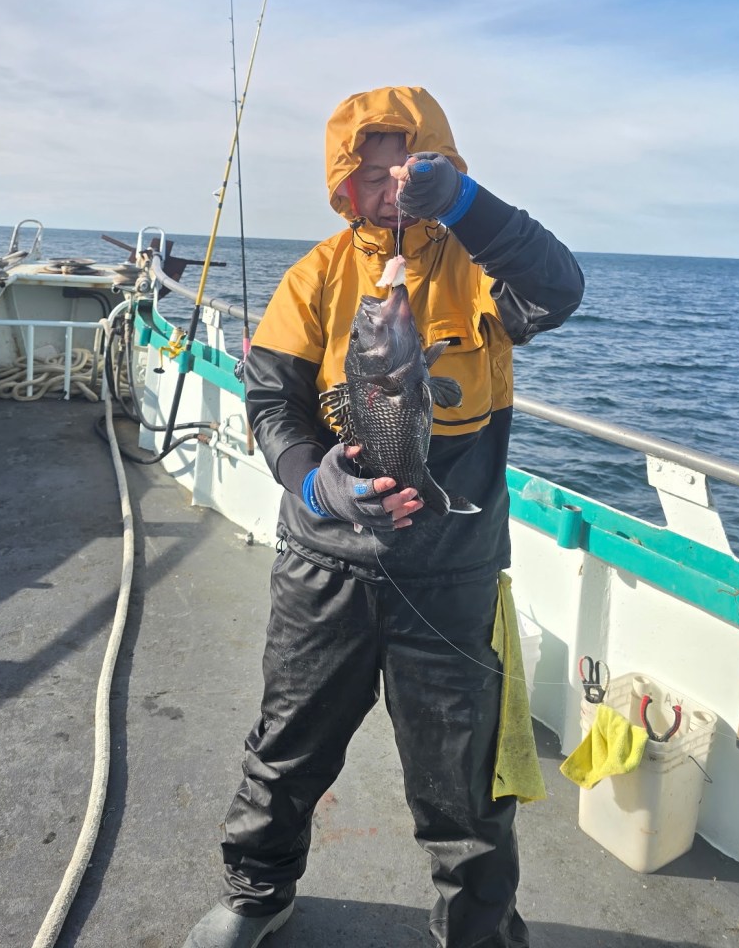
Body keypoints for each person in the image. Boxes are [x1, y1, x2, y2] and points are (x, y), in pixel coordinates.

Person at [182, 85, 585, 948]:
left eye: (404, 168)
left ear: (436, 166)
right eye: (366, 173)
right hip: (323, 563)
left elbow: (559, 288)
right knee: (287, 744)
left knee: (462, 779)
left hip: (449, 570)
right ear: (342, 183)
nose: (385, 186)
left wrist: (472, 209)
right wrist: (312, 479)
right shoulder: (316, 275)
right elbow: (270, 400)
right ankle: (258, 891)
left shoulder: (481, 265)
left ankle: (476, 929)